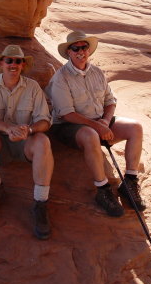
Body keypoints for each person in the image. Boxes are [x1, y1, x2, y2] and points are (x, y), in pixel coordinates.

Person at [47, 30, 145, 217]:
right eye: (76, 48)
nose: (81, 51)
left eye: (84, 47)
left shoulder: (97, 73)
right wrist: (98, 127)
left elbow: (110, 100)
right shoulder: (61, 78)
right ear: (69, 52)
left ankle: (130, 182)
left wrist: (106, 121)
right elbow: (66, 114)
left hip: (100, 122)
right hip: (69, 126)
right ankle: (103, 189)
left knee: (135, 127)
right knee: (91, 134)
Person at [0, 45, 54, 240]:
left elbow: (45, 120)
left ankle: (40, 203)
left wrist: (29, 130)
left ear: (23, 65)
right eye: (9, 60)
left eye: (18, 61)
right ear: (1, 63)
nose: (13, 65)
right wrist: (6, 128)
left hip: (24, 143)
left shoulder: (32, 87)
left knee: (42, 140)